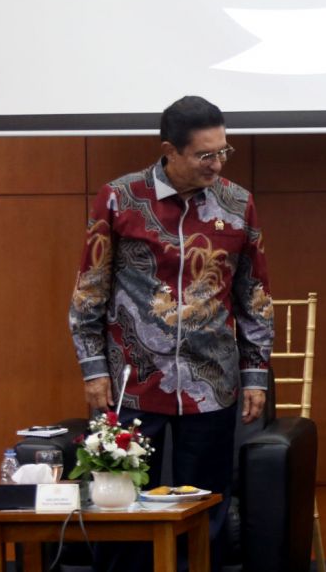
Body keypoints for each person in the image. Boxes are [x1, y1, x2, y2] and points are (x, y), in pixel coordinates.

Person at [69, 95, 274, 571]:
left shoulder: (238, 202)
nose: (217, 163)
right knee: (122, 505)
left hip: (211, 381)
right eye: (206, 155)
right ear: (170, 151)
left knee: (206, 509)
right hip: (132, 381)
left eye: (224, 151)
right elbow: (89, 289)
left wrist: (256, 372)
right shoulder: (120, 197)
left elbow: (255, 294)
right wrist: (93, 368)